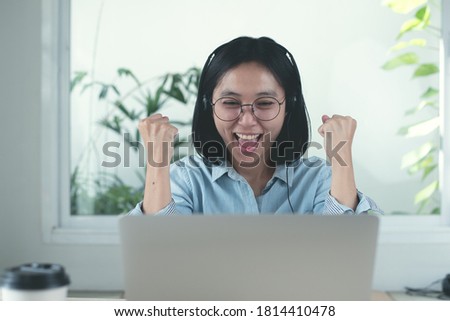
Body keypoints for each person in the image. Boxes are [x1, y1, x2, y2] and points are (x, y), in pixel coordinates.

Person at [129, 36, 382, 216]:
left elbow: (346, 255)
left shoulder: (320, 181)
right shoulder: (185, 180)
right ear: (210, 106)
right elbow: (158, 256)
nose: (247, 120)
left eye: (264, 103)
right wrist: (156, 161)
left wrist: (342, 160)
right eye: (230, 102)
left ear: (288, 106)